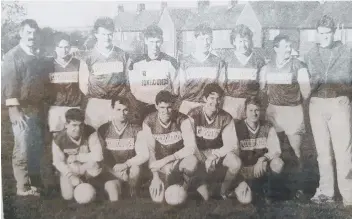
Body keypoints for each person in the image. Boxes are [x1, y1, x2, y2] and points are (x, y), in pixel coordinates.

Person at [305, 15, 352, 206]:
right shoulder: (311, 53)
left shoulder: (345, 51)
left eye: (328, 33)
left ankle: (348, 194)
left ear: (334, 33)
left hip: (338, 102)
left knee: (344, 152)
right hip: (317, 103)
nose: (324, 37)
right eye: (321, 33)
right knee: (323, 152)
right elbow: (311, 79)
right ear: (317, 33)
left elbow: (344, 77)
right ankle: (326, 192)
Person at [259, 34, 310, 199]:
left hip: (293, 111)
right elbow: (262, 91)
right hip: (273, 111)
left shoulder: (299, 66)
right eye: (285, 46)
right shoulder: (267, 67)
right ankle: (274, 187)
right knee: (274, 150)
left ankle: (298, 188)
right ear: (276, 48)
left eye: (290, 46)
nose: (289, 49)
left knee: (295, 151)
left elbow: (306, 92)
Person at [2, 19, 49, 196]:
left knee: (35, 147)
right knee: (22, 147)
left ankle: (35, 182)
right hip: (21, 108)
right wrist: (14, 109)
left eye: (34, 33)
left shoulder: (36, 55)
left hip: (37, 108)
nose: (32, 36)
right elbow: (9, 84)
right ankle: (22, 186)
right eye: (28, 32)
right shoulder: (12, 55)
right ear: (21, 33)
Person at [79, 17, 136, 129]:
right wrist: (97, 97)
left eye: (110, 34)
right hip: (97, 104)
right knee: (96, 139)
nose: (107, 37)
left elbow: (128, 80)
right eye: (103, 34)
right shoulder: (88, 57)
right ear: (96, 34)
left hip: (118, 104)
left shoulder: (122, 54)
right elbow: (83, 85)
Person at [143, 90, 198, 204]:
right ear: (156, 106)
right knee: (157, 200)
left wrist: (168, 160)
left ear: (173, 106)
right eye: (162, 107)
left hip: (178, 161)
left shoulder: (183, 119)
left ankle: (183, 188)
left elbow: (191, 147)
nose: (166, 111)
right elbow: (151, 151)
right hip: (160, 166)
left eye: (169, 107)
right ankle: (166, 183)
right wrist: (155, 177)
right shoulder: (149, 121)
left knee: (192, 161)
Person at [188, 83, 241, 200]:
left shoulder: (226, 117)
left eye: (218, 99)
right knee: (205, 196)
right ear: (204, 99)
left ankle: (223, 191)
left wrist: (214, 155)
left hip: (217, 154)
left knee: (235, 162)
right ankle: (195, 185)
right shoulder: (193, 114)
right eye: (212, 98)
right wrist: (204, 158)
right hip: (198, 153)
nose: (215, 102)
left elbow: (232, 144)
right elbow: (190, 143)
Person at [232, 96, 284, 204]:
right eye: (250, 110)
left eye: (257, 110)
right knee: (246, 200)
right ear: (245, 111)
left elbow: (276, 150)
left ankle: (269, 191)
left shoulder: (267, 126)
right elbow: (233, 153)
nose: (254, 114)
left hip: (260, 168)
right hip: (243, 170)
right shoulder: (237, 127)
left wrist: (263, 159)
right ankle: (239, 187)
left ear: (260, 111)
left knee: (278, 163)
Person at [97, 97, 148, 201]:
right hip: (111, 170)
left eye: (125, 110)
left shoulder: (136, 129)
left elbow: (143, 154)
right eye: (118, 110)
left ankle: (132, 192)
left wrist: (126, 165)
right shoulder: (103, 129)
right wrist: (114, 169)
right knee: (113, 196)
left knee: (136, 169)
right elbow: (101, 155)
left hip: (130, 170)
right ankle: (117, 189)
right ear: (112, 109)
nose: (122, 113)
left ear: (129, 111)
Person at [128, 25, 178, 124]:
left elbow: (175, 90)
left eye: (157, 41)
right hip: (143, 109)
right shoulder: (136, 63)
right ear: (146, 41)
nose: (154, 46)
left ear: (162, 41)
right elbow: (134, 90)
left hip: (164, 109)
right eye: (151, 42)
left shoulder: (171, 62)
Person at [52, 108, 103, 201]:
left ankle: (90, 183)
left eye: (81, 125)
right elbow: (58, 162)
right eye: (74, 125)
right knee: (68, 196)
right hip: (71, 168)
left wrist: (77, 157)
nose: (78, 129)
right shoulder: (59, 139)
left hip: (87, 167)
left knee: (96, 166)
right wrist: (70, 176)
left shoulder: (90, 132)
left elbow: (98, 155)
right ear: (66, 125)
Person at [175, 24, 226, 115]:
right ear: (195, 40)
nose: (205, 42)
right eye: (202, 39)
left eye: (208, 39)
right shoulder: (185, 62)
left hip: (209, 106)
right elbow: (182, 90)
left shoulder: (218, 62)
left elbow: (221, 87)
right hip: (189, 105)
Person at [223, 24, 265, 120]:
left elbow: (262, 87)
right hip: (231, 102)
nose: (243, 45)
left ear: (250, 41)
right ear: (234, 42)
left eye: (246, 41)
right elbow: (222, 83)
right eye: (240, 41)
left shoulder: (258, 61)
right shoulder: (227, 60)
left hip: (251, 102)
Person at [47, 32, 84, 134]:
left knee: (74, 139)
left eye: (67, 47)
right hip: (56, 108)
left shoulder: (77, 63)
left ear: (70, 47)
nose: (64, 50)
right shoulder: (48, 65)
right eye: (60, 47)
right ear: (55, 48)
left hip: (74, 107)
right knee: (57, 140)